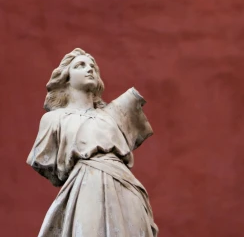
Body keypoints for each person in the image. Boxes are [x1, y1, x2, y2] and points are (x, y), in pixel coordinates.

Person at [27, 48, 158, 237]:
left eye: (92, 67)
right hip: (87, 186)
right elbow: (45, 162)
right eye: (80, 66)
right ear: (66, 78)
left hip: (126, 186)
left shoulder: (115, 115)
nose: (89, 69)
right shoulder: (54, 119)